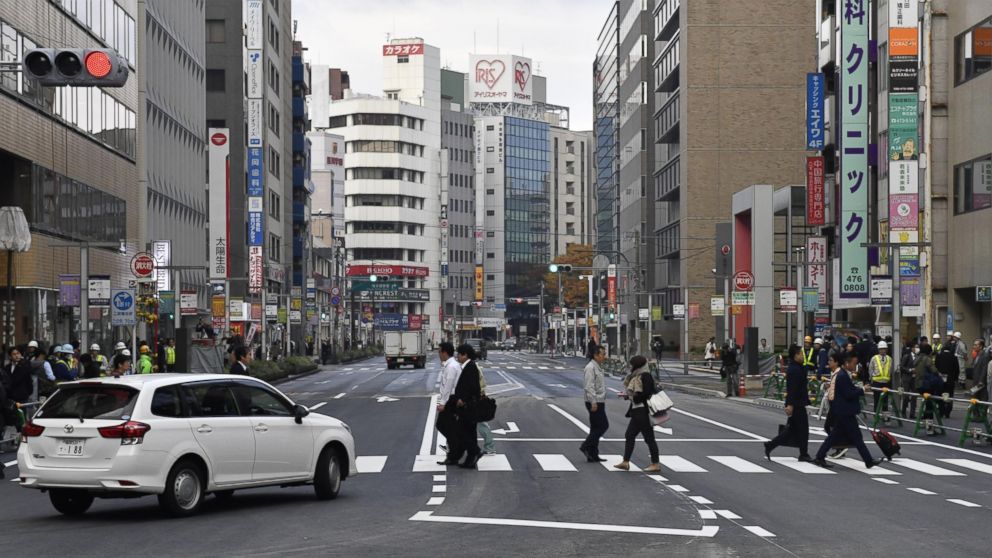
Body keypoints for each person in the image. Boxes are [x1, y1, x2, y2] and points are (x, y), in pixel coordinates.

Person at [813, 352, 883, 469]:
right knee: (855, 437)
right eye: (854, 363)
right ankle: (868, 461)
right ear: (847, 363)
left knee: (837, 436)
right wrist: (862, 390)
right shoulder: (842, 375)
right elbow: (848, 394)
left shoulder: (842, 374)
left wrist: (859, 388)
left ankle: (820, 456)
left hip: (843, 411)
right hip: (845, 411)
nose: (855, 366)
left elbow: (847, 390)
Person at [764, 345, 812, 462]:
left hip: (797, 403)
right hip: (796, 404)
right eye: (800, 353)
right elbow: (792, 389)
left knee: (792, 430)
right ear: (795, 355)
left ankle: (770, 445)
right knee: (803, 429)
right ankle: (803, 454)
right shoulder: (794, 370)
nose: (802, 356)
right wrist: (790, 404)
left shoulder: (798, 367)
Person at [614, 355, 661, 472]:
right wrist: (628, 396)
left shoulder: (645, 376)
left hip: (643, 411)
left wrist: (634, 397)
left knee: (649, 438)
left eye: (632, 364)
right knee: (630, 435)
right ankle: (625, 462)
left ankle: (655, 463)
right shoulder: (637, 376)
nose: (630, 366)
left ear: (637, 365)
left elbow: (646, 393)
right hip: (637, 411)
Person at [449, 344, 482, 469]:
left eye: (459, 354)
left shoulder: (470, 367)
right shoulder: (468, 366)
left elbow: (473, 387)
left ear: (465, 355)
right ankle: (471, 458)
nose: (457, 356)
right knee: (469, 431)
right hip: (468, 404)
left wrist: (463, 399)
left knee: (462, 431)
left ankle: (475, 451)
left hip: (467, 405)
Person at [580, 345, 609, 463]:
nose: (604, 356)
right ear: (596, 355)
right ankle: (586, 446)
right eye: (603, 354)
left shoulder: (597, 367)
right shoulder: (590, 367)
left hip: (599, 400)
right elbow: (589, 386)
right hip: (594, 401)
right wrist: (593, 402)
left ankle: (593, 454)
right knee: (603, 426)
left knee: (595, 428)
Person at [436, 342, 463, 465]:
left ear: (445, 352)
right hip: (451, 400)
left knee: (442, 425)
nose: (438, 354)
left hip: (450, 400)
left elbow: (449, 385)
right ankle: (454, 453)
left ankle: (455, 450)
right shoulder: (451, 365)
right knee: (448, 426)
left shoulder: (452, 366)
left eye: (439, 351)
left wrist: (442, 403)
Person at [935, 337, 960, 418]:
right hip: (950, 379)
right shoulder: (954, 357)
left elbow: (936, 367)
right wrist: (955, 379)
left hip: (940, 379)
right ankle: (948, 411)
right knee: (950, 395)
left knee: (940, 395)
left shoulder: (939, 356)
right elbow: (957, 369)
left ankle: (941, 411)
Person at [868, 341, 893, 415]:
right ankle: (876, 414)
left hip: (886, 382)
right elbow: (870, 369)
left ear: (886, 349)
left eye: (884, 349)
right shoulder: (874, 358)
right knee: (877, 399)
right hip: (876, 382)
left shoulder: (889, 359)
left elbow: (890, 369)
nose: (883, 350)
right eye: (881, 349)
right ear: (878, 350)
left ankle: (885, 416)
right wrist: (871, 379)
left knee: (885, 400)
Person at [900, 340, 919, 419]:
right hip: (907, 378)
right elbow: (902, 367)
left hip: (915, 379)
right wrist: (910, 370)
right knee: (906, 396)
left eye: (918, 347)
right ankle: (903, 411)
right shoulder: (907, 356)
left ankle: (912, 413)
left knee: (914, 396)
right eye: (916, 347)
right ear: (912, 348)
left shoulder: (919, 357)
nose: (917, 349)